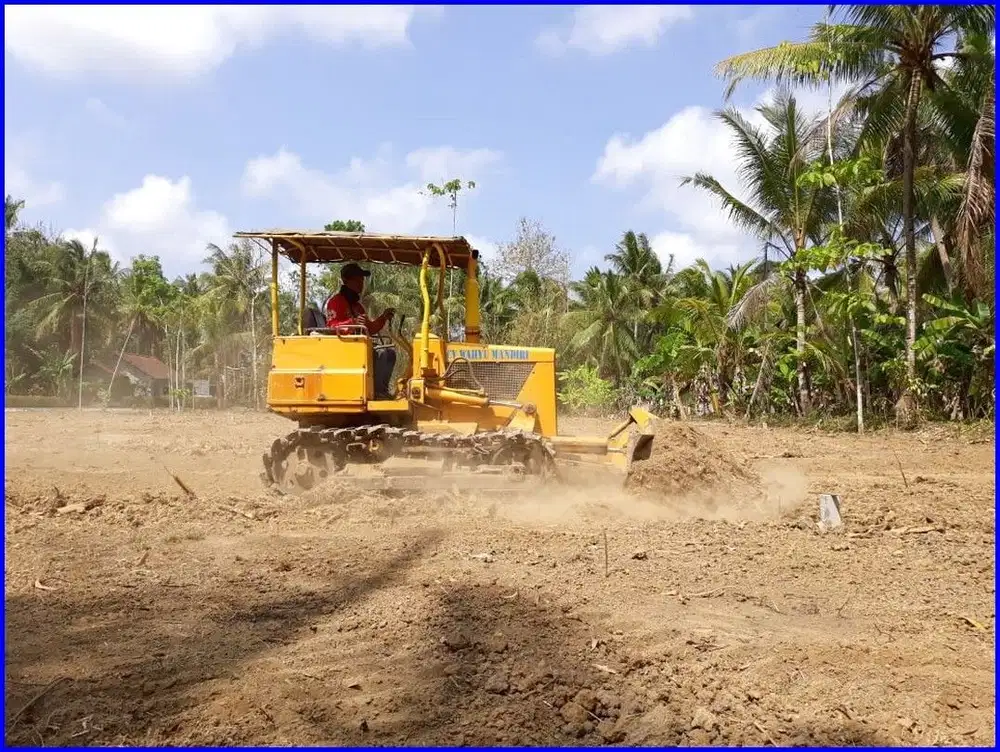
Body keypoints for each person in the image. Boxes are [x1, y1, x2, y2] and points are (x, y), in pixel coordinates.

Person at [324, 262, 397, 399]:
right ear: (346, 281)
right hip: (343, 348)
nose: (361, 284)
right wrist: (352, 322)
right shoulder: (336, 302)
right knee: (380, 353)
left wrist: (383, 318)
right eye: (357, 280)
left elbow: (370, 328)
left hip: (359, 347)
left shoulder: (358, 307)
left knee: (389, 352)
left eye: (362, 280)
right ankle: (376, 392)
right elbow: (331, 327)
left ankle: (380, 390)